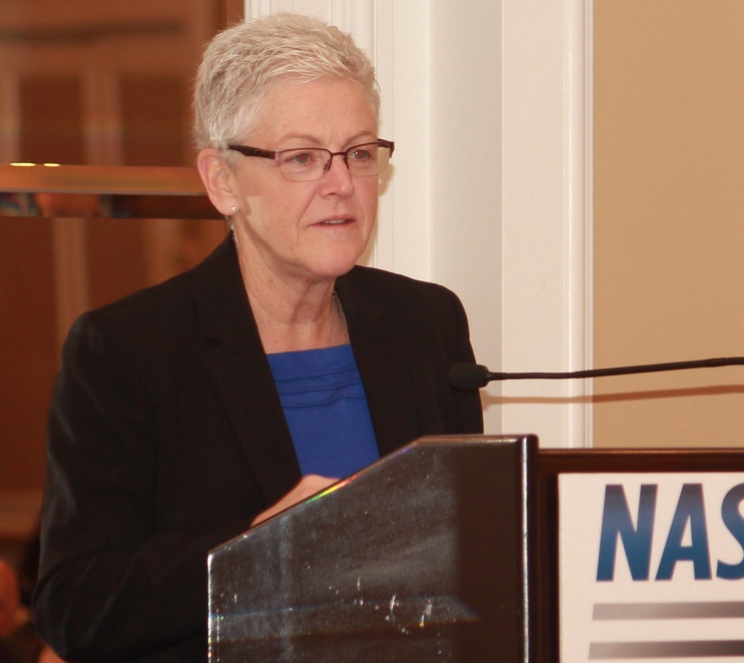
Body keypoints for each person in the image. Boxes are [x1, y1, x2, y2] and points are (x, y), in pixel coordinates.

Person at [32, 13, 483, 662]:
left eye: (359, 153)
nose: (341, 184)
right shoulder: (128, 351)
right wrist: (254, 553)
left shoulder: (426, 324)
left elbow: (469, 561)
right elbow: (76, 605)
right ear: (222, 181)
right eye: (302, 158)